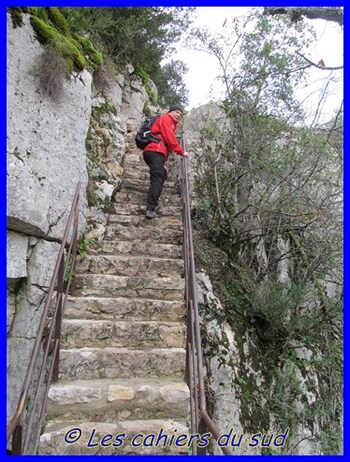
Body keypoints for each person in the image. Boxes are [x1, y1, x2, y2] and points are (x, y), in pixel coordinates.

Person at [143, 105, 189, 219]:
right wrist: (181, 151)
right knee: (157, 177)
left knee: (162, 174)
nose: (179, 115)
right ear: (170, 112)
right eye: (177, 112)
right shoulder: (166, 118)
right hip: (155, 151)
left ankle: (153, 196)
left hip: (156, 152)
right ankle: (150, 209)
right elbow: (170, 138)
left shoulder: (171, 123)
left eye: (181, 114)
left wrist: (164, 163)